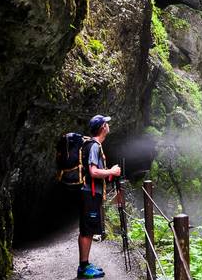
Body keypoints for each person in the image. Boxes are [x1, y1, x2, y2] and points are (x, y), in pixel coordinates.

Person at [77, 114, 121, 279]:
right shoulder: (94, 146)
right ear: (103, 127)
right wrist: (112, 171)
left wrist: (109, 173)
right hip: (90, 194)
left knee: (86, 229)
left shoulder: (92, 145)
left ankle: (85, 264)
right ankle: (83, 268)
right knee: (87, 230)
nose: (108, 126)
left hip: (89, 192)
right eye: (107, 123)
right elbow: (93, 172)